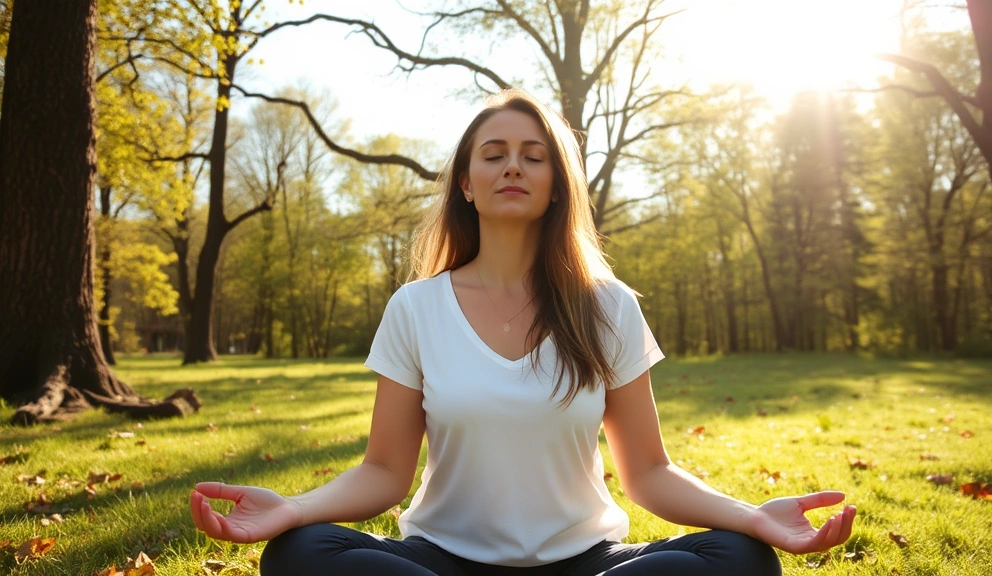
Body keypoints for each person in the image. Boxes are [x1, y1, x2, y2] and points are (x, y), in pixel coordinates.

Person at [189, 88, 857, 576]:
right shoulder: (416, 308)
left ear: (556, 185)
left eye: (534, 156)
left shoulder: (610, 307)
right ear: (467, 184)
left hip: (586, 564)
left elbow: (649, 473)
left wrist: (751, 516)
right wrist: (292, 510)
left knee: (740, 558)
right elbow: (384, 472)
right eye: (495, 154)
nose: (513, 165)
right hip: (438, 563)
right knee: (299, 554)